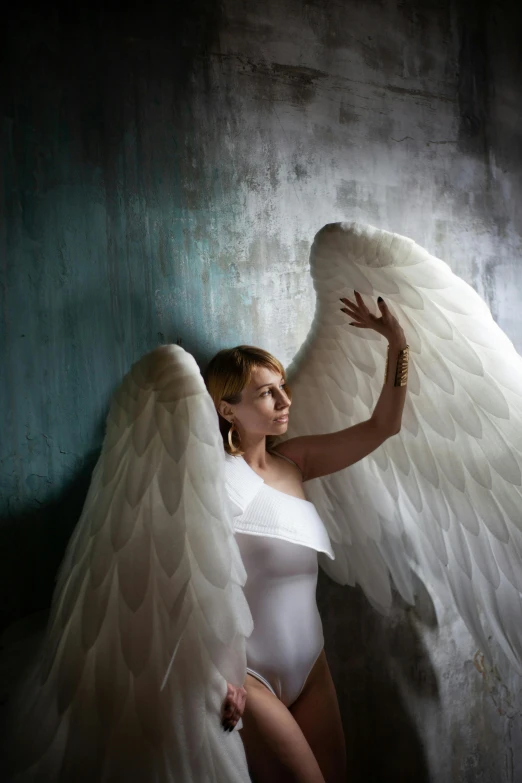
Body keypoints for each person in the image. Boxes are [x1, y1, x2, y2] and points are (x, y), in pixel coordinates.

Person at [204, 291, 409, 783]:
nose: (285, 400)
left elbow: (385, 426)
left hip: (312, 668)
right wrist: (218, 674)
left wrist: (398, 345)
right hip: (249, 677)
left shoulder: (295, 460)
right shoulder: (209, 478)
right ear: (227, 410)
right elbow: (188, 583)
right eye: (266, 393)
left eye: (282, 386)